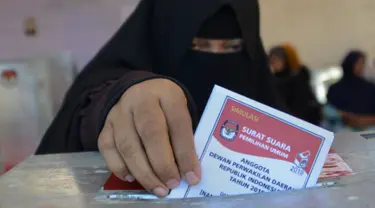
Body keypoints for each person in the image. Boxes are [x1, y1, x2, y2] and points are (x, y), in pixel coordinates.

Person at [35, 0, 283, 197]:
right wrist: (121, 102)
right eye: (197, 45)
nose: (215, 55)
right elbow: (88, 106)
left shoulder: (269, 101)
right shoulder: (114, 80)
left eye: (231, 47)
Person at [268, 44, 322, 125]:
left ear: (285, 60)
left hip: (305, 119)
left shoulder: (299, 76)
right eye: (271, 61)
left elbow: (303, 101)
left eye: (276, 60)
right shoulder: (274, 79)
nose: (273, 64)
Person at [327, 50, 375, 130]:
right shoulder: (336, 89)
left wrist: (363, 120)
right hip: (344, 130)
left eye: (363, 63)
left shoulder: (370, 87)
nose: (362, 66)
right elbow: (330, 112)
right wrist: (346, 116)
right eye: (359, 63)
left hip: (370, 128)